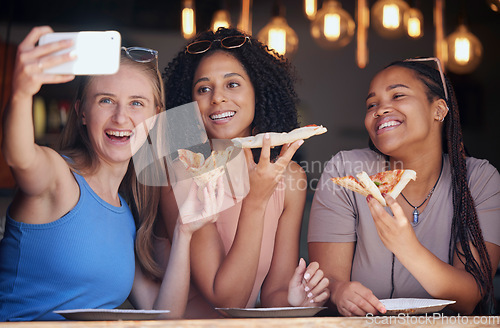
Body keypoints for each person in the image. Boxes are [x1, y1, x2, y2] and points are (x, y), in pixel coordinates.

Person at [0, 26, 223, 321]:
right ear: (81, 111)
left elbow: (164, 316)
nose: (121, 117)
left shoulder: (126, 214)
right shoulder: (57, 175)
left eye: (136, 103)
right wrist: (21, 93)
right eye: (106, 100)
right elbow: (20, 157)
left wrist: (184, 233)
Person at [308, 57, 500, 316]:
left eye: (398, 95)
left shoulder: (479, 179)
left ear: (439, 110)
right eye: (371, 104)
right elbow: (327, 282)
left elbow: (468, 298)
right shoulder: (345, 170)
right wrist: (340, 291)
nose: (380, 109)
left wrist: (406, 247)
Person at [160, 27, 330, 318]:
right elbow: (226, 300)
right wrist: (256, 201)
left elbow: (274, 291)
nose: (217, 98)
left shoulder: (290, 177)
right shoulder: (181, 173)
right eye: (203, 88)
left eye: (233, 84)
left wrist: (293, 299)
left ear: (258, 91)